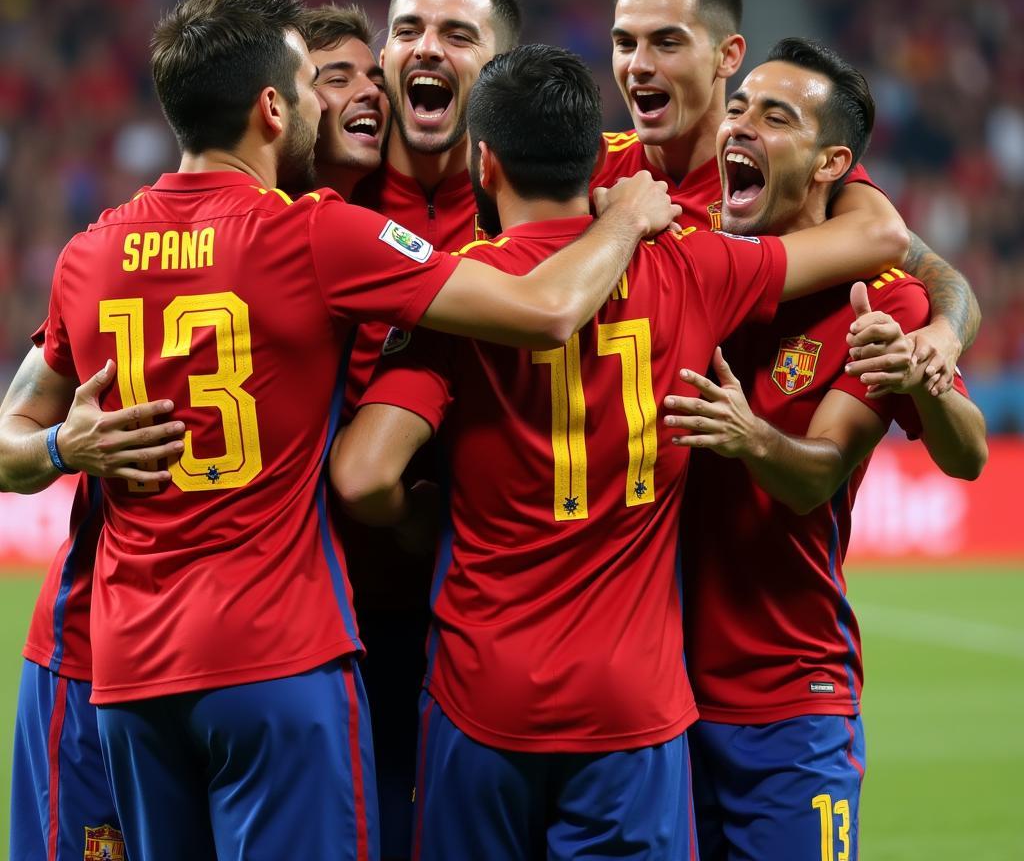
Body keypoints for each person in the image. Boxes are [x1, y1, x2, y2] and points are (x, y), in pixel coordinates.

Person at [0, 0, 680, 861]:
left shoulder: (87, 252)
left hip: (129, 667)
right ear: (275, 107)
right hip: (276, 654)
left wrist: (60, 447)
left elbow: (13, 436)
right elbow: (545, 308)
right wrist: (623, 221)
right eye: (317, 84)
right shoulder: (315, 234)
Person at [331, 43, 913, 861]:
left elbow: (361, 478)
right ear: (592, 161)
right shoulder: (694, 265)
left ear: (484, 162)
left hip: (480, 693)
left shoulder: (460, 292)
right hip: (631, 707)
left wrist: (418, 515)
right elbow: (875, 239)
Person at [2, 0, 391, 861]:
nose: (357, 98)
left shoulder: (320, 244)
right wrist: (67, 447)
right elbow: (8, 436)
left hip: (179, 660)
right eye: (329, 80)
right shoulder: (285, 239)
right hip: (89, 649)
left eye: (374, 79)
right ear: (275, 106)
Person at [660, 38, 987, 861]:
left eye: (775, 117)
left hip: (787, 700)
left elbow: (834, 473)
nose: (741, 126)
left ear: (831, 162)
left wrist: (926, 371)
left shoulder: (876, 302)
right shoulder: (685, 248)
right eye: (739, 108)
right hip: (658, 701)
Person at [593, 0, 980, 393]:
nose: (639, 65)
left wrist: (945, 333)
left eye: (667, 43)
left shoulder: (785, 166)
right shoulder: (591, 168)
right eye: (625, 43)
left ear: (728, 56)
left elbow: (909, 251)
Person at [341, 0, 523, 860]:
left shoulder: (544, 200)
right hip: (327, 623)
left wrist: (939, 319)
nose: (425, 48)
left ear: (499, 71)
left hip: (479, 629)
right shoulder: (317, 193)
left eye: (459, 34)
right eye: (407, 29)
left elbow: (872, 226)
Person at [293, 2, 390, 199]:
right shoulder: (256, 221)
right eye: (338, 80)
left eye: (379, 83)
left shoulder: (380, 223)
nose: (371, 90)